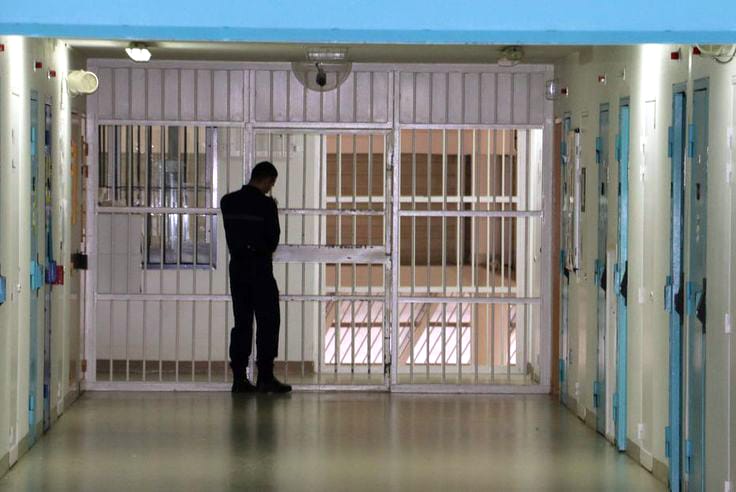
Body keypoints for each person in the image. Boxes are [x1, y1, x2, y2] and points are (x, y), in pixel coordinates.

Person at [221, 161, 291, 394]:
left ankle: (239, 378)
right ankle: (265, 378)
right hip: (260, 269)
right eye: (272, 183)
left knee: (242, 323)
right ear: (267, 179)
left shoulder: (227, 201)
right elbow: (272, 240)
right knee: (268, 322)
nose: (271, 187)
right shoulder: (267, 205)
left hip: (238, 269)